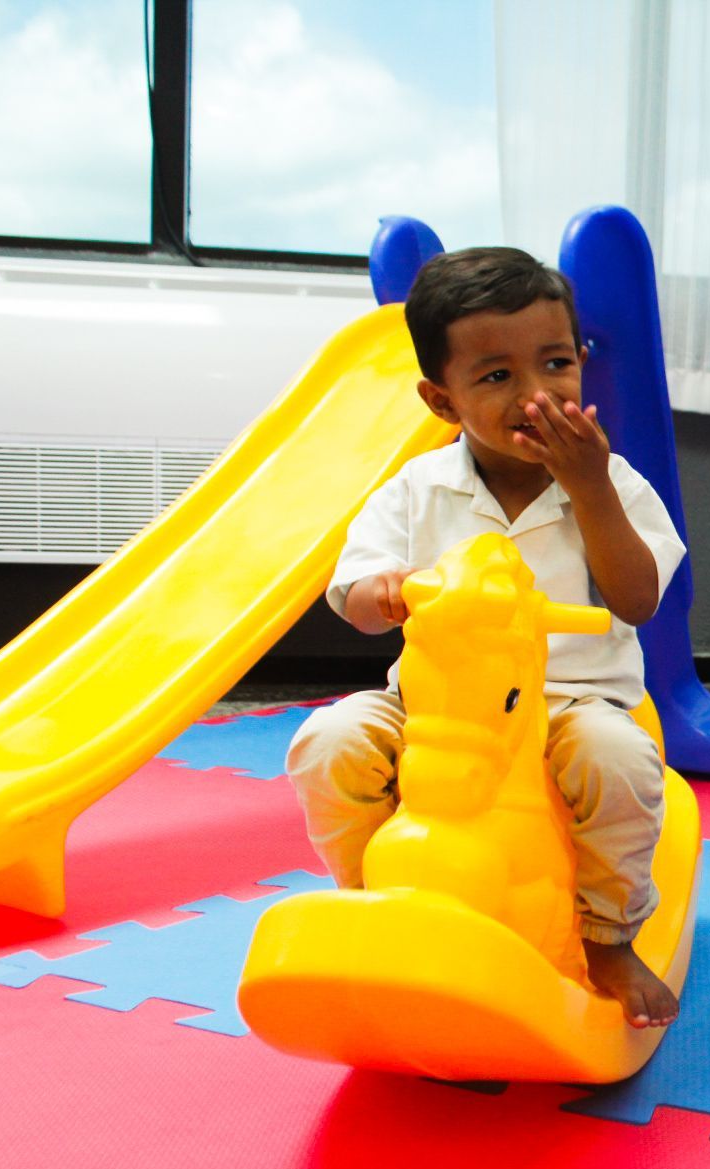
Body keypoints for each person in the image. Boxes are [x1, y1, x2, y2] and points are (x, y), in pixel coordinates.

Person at [286, 246, 687, 1028]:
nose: (536, 394)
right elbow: (356, 599)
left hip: (571, 703)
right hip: (441, 710)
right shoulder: (415, 490)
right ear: (442, 401)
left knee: (619, 762)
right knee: (328, 742)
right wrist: (386, 591)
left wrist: (589, 486)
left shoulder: (612, 481)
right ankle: (373, 891)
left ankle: (609, 933)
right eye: (498, 377)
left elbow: (638, 599)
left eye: (556, 363)